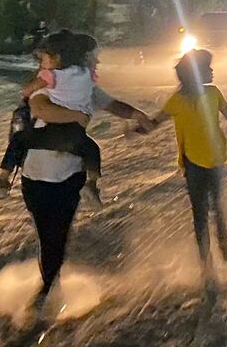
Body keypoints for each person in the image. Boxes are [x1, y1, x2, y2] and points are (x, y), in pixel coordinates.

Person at [19, 61, 154, 315]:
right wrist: (78, 117)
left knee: (57, 234)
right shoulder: (48, 84)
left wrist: (136, 114)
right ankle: (49, 284)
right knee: (48, 233)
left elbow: (113, 104)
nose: (98, 61)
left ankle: (46, 291)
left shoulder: (85, 88)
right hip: (36, 174)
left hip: (70, 173)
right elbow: (41, 109)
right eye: (94, 57)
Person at [140, 49, 227, 277]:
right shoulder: (180, 99)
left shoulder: (212, 93)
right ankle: (207, 259)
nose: (212, 71)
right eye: (208, 68)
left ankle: (221, 246)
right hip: (194, 162)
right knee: (205, 210)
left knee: (212, 208)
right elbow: (154, 123)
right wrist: (135, 129)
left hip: (213, 159)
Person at [0, 31, 105, 209]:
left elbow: (27, 90)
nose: (42, 63)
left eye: (44, 58)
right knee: (92, 150)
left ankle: (2, 178)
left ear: (56, 58)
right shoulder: (86, 74)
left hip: (51, 129)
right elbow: (92, 85)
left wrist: (32, 89)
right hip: (76, 131)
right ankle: (91, 184)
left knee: (19, 139)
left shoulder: (50, 75)